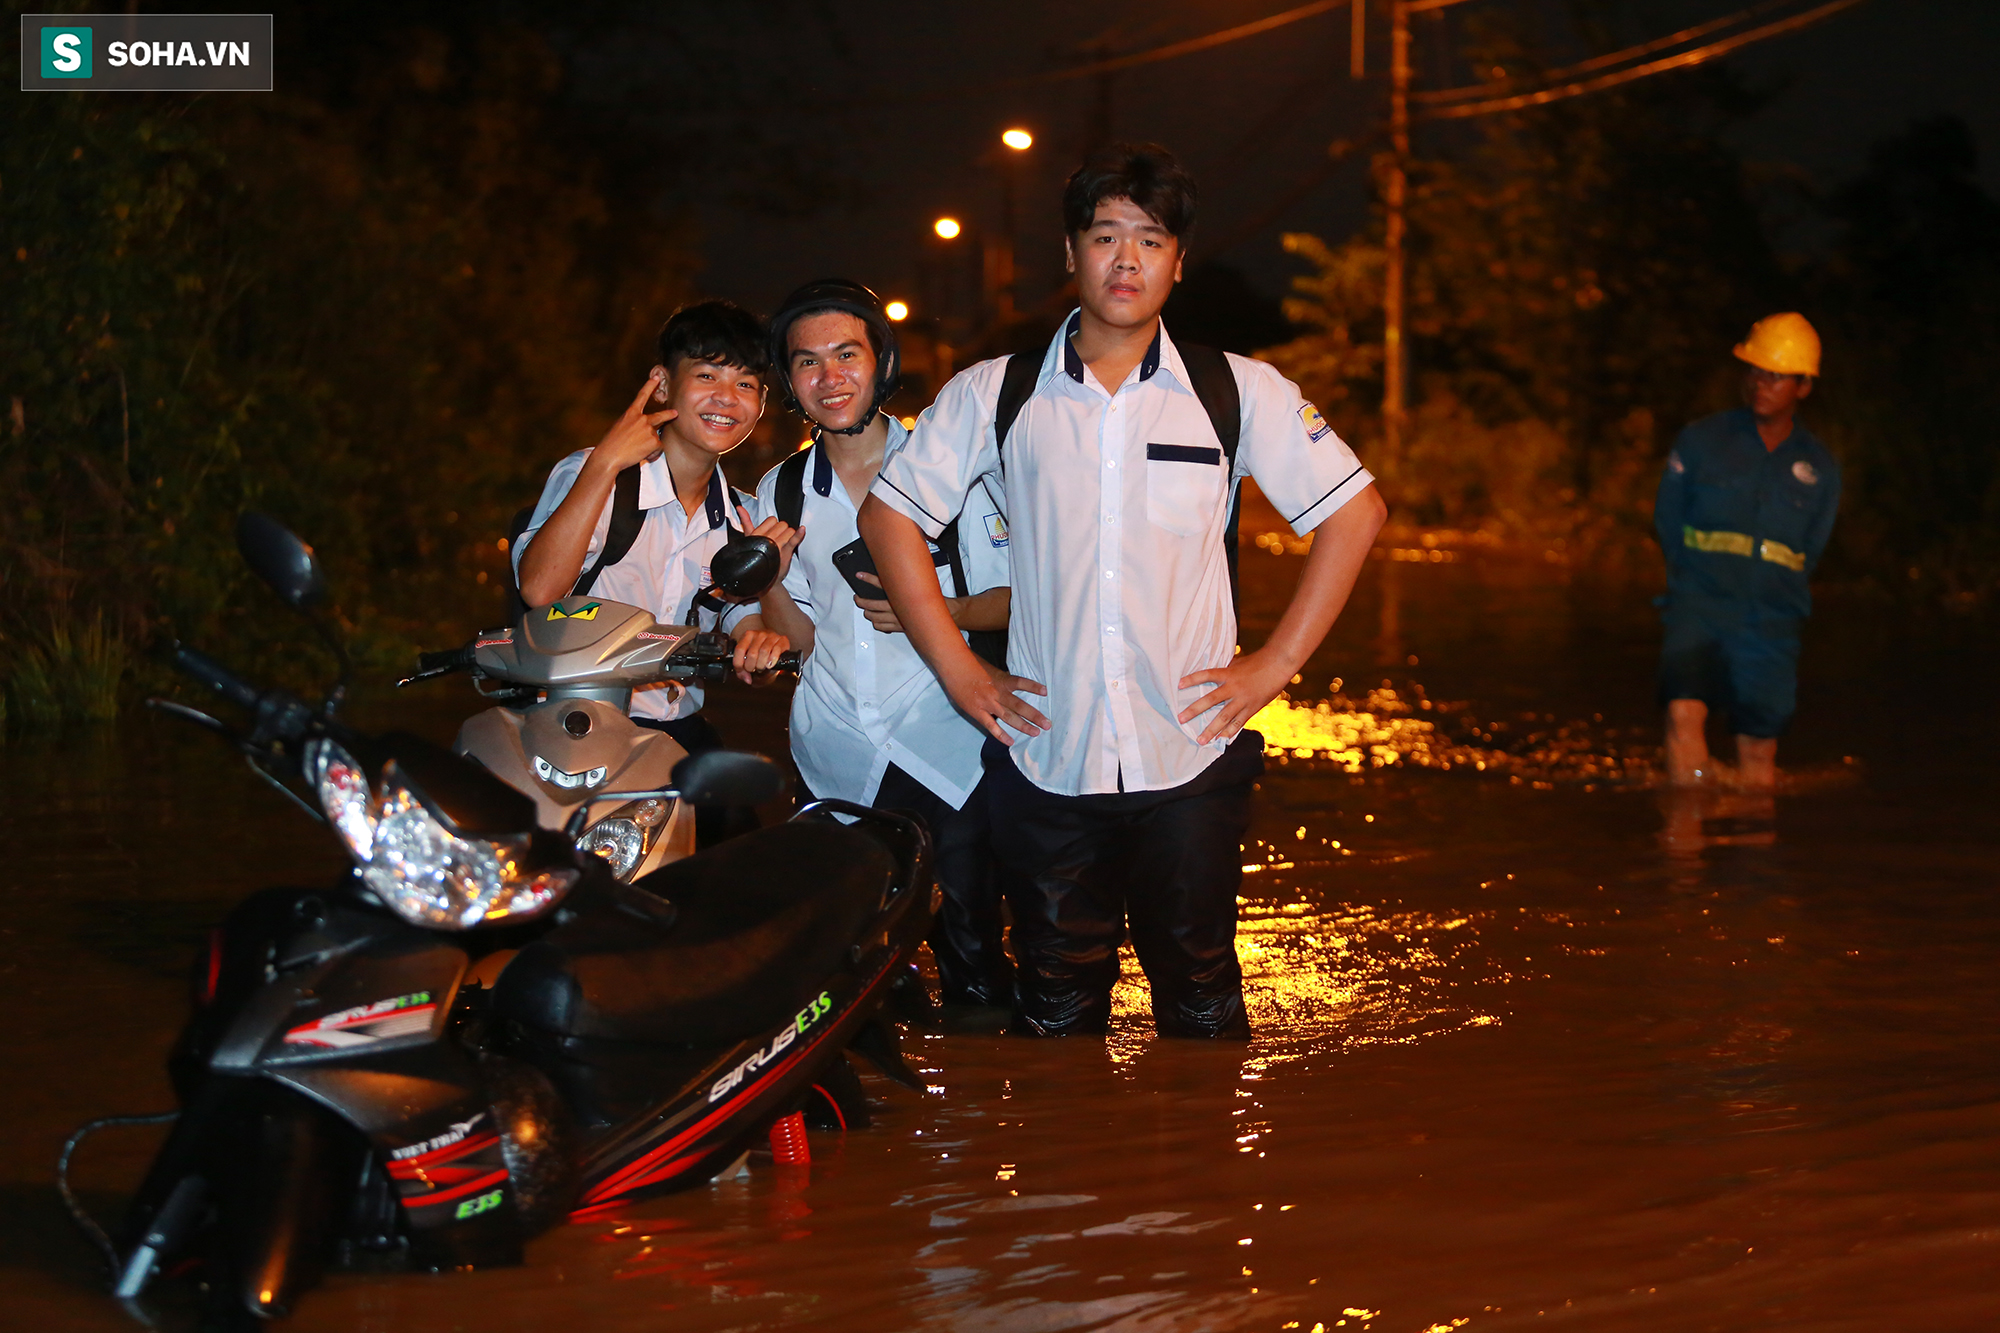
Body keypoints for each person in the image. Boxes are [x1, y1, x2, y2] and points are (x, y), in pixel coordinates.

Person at [857, 143, 1387, 1039]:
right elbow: (889, 518)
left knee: (1203, 990)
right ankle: (1075, 1171)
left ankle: (1202, 1175)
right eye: (1106, 236)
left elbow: (1356, 513)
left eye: (1151, 239)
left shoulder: (1235, 391)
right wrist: (960, 673)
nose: (1127, 259)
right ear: (1072, 253)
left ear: (1179, 261)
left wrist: (1276, 664)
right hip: (1046, 757)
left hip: (1189, 752)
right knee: (1055, 1004)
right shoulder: (997, 393)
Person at [735, 279, 1017, 1011]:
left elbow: (1021, 598)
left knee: (975, 966)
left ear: (880, 361)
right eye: (807, 362)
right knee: (848, 981)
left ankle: (987, 1106)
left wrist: (936, 609)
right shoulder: (782, 489)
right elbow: (796, 637)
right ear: (790, 379)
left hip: (945, 742)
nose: (830, 377)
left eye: (846, 354)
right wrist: (766, 576)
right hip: (835, 751)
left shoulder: (952, 471)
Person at [514, 299, 793, 843]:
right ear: (662, 385)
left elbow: (737, 619)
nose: (726, 398)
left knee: (737, 864)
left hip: (674, 731)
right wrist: (602, 464)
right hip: (573, 722)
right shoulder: (599, 475)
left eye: (746, 384)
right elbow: (539, 589)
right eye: (707, 375)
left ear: (760, 404)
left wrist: (757, 644)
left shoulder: (741, 517)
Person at [1654, 312, 1841, 789]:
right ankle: (1684, 852)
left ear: (1803, 387)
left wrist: (1776, 592)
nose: (1761, 383)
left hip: (1771, 619)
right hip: (1699, 603)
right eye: (1756, 371)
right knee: (1683, 714)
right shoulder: (1702, 440)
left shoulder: (1818, 466)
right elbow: (1668, 520)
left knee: (1758, 752)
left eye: (1776, 376)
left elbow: (1812, 547)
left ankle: (1752, 855)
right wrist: (1691, 582)